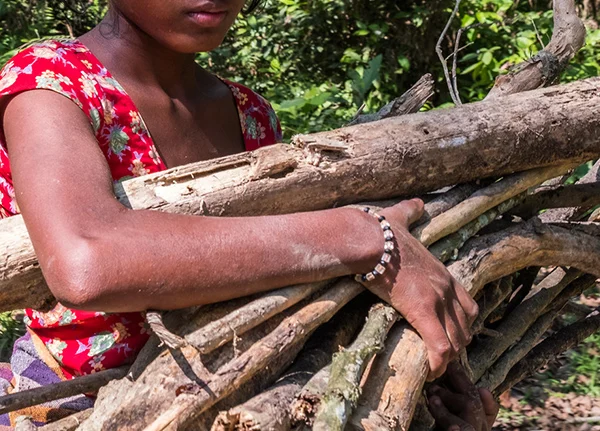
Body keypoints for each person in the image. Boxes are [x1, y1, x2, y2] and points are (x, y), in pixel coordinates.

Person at [0, 0, 480, 427]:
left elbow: (277, 275)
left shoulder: (249, 112)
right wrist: (360, 237)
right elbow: (86, 262)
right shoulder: (48, 84)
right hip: (80, 403)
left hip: (236, 397)